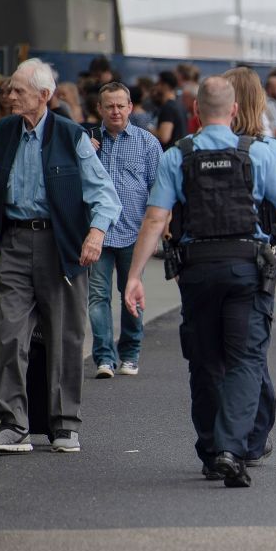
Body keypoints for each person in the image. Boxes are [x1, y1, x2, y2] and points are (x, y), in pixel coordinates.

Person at [124, 76, 276, 488]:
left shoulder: (178, 155)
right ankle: (231, 447)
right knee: (245, 360)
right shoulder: (257, 153)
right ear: (236, 111)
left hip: (197, 271)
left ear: (195, 112)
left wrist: (134, 276)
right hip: (247, 269)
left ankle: (210, 450)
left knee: (204, 362)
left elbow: (156, 218)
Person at [0, 59, 121, 454]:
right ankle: (10, 425)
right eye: (10, 89)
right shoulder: (4, 131)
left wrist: (95, 234)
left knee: (64, 337)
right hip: (15, 244)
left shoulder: (71, 136)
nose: (9, 95)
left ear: (44, 96)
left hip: (60, 246)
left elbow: (106, 195)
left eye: (18, 90)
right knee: (7, 334)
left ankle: (64, 424)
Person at [223, 67, 276, 467]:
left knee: (213, 353)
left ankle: (217, 441)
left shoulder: (191, 149)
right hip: (253, 263)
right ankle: (252, 435)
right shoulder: (269, 150)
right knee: (251, 348)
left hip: (200, 264)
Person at [86, 82, 162, 379]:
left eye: (121, 105)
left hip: (135, 233)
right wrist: (86, 153)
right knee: (97, 298)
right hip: (98, 234)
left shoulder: (147, 143)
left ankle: (130, 354)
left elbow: (159, 191)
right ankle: (105, 357)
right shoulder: (87, 143)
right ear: (100, 109)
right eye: (110, 106)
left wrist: (159, 232)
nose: (115, 111)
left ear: (130, 107)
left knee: (131, 296)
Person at [153, 71, 187, 149]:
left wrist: (150, 131)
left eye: (158, 84)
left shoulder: (168, 108)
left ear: (165, 85)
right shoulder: (181, 106)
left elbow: (164, 137)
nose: (156, 87)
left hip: (170, 154)